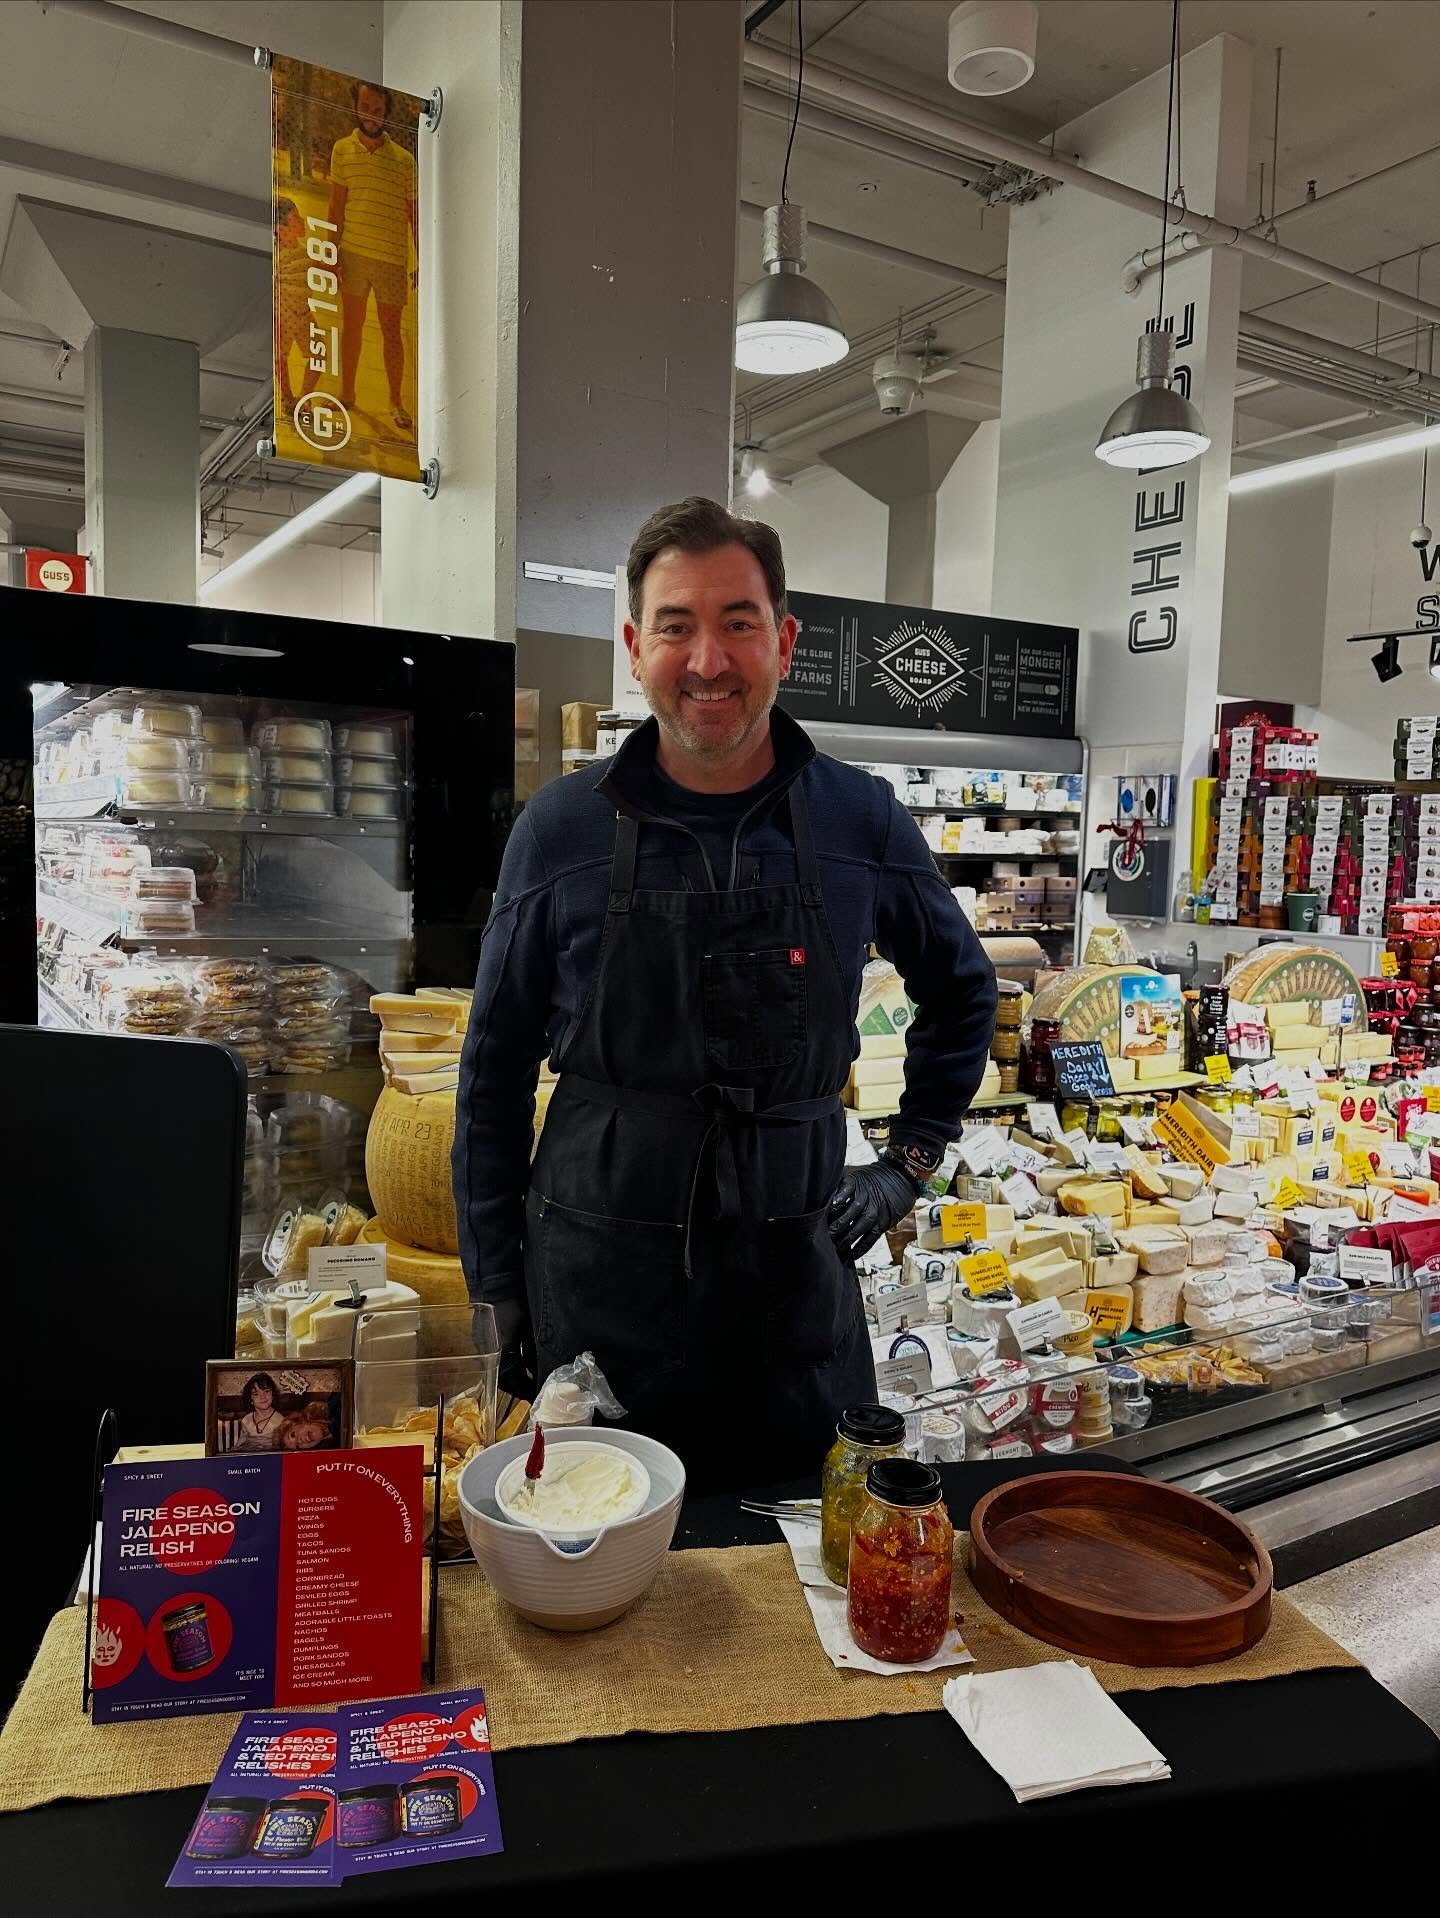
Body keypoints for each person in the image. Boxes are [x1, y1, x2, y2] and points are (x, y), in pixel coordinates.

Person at [453, 497, 997, 1485]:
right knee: (595, 1551)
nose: (708, 658)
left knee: (793, 1560)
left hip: (792, 1275)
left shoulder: (859, 818)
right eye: (676, 625)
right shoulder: (559, 829)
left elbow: (963, 989)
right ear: (634, 646)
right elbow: (489, 1084)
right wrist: (498, 1300)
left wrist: (909, 1161)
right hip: (594, 1277)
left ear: (783, 640)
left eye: (738, 622)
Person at [327, 80, 416, 431]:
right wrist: (331, 254)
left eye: (378, 110)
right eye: (365, 107)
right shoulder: (342, 151)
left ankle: (396, 401)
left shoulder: (405, 161)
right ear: (356, 107)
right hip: (353, 253)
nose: (371, 116)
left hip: (393, 258)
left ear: (386, 113)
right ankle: (347, 395)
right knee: (352, 327)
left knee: (392, 332)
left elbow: (415, 213)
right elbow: (336, 206)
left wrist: (421, 260)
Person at [272, 198, 308, 414]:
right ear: (282, 229)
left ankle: (303, 398)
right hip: (285, 314)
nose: (302, 221)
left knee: (319, 356)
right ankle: (289, 398)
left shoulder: (300, 249)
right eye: (295, 219)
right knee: (281, 357)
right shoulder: (279, 257)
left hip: (304, 314)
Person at [235, 1373, 283, 1451]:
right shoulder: (246, 1420)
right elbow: (239, 1445)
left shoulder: (281, 1421)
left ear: (273, 1394)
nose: (262, 1397)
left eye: (266, 1391)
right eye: (256, 1394)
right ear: (250, 1399)